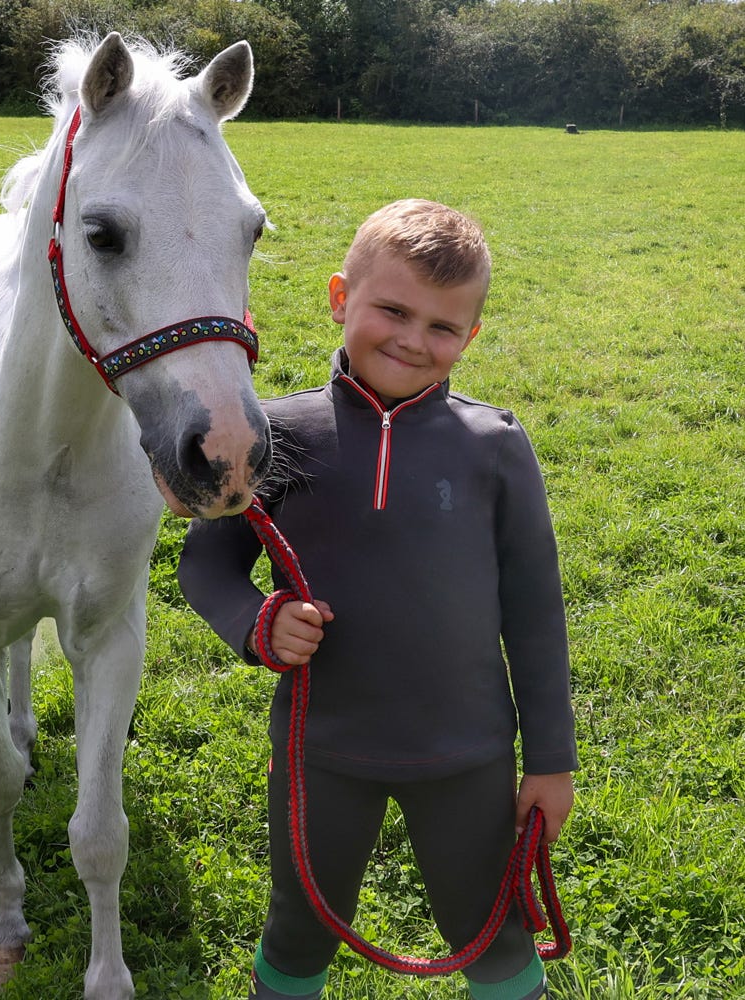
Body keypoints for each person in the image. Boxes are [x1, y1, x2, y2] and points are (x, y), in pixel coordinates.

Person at [177, 199, 577, 1000]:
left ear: (471, 337)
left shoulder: (494, 447)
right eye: (392, 310)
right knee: (299, 924)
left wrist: (552, 761)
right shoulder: (277, 434)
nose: (411, 339)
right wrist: (257, 624)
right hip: (319, 751)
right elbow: (206, 567)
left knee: (492, 932)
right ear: (339, 298)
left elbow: (535, 615)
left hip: (465, 753)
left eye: (443, 326)